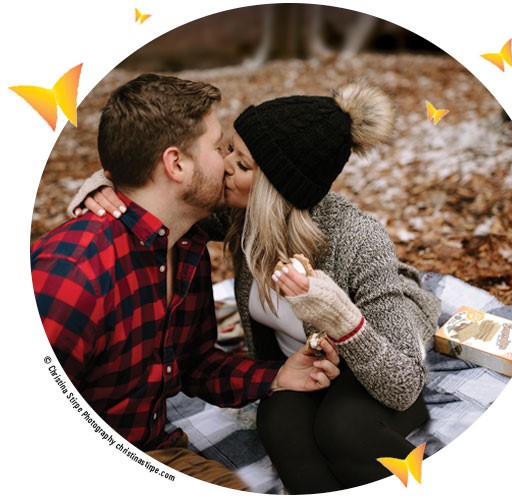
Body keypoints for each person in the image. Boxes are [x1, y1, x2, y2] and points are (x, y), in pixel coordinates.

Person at [70, 79, 442, 494]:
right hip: (302, 371)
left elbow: (404, 381)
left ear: (276, 187)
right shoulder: (238, 216)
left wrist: (339, 317)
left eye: (242, 164)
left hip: (375, 375)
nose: (224, 165)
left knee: (342, 428)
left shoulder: (358, 238)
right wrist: (102, 189)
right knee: (281, 425)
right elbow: (157, 186)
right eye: (228, 149)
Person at [31, 73, 341, 492]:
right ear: (176, 164)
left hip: (157, 449)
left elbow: (192, 364)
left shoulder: (186, 241)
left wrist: (276, 377)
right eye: (219, 148)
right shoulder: (74, 273)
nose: (228, 161)